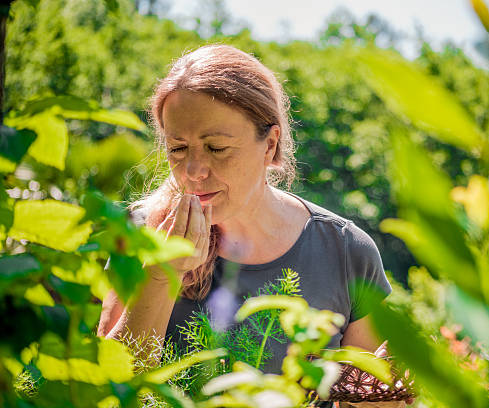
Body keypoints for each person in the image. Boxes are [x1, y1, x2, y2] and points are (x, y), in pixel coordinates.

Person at [97, 44, 401, 407]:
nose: (194, 171)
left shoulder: (347, 251)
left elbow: (367, 396)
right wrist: (163, 272)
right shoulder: (141, 232)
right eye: (178, 148)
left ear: (270, 145)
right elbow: (110, 388)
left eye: (216, 148)